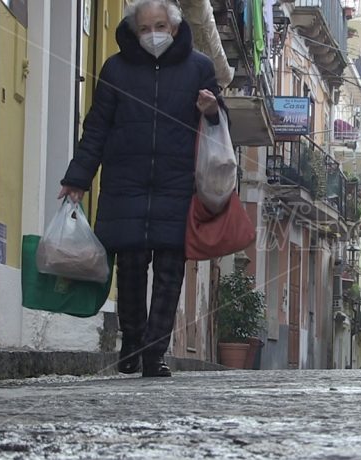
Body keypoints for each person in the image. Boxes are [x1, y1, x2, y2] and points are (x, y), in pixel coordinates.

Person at [59, 0, 222, 378]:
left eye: (160, 25)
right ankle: (132, 340)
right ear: (134, 31)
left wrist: (212, 108)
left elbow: (219, 122)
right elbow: (97, 126)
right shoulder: (115, 69)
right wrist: (77, 178)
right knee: (130, 267)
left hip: (177, 183)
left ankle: (153, 352)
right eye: (146, 27)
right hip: (125, 182)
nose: (154, 34)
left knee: (170, 270)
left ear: (176, 28)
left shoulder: (200, 67)